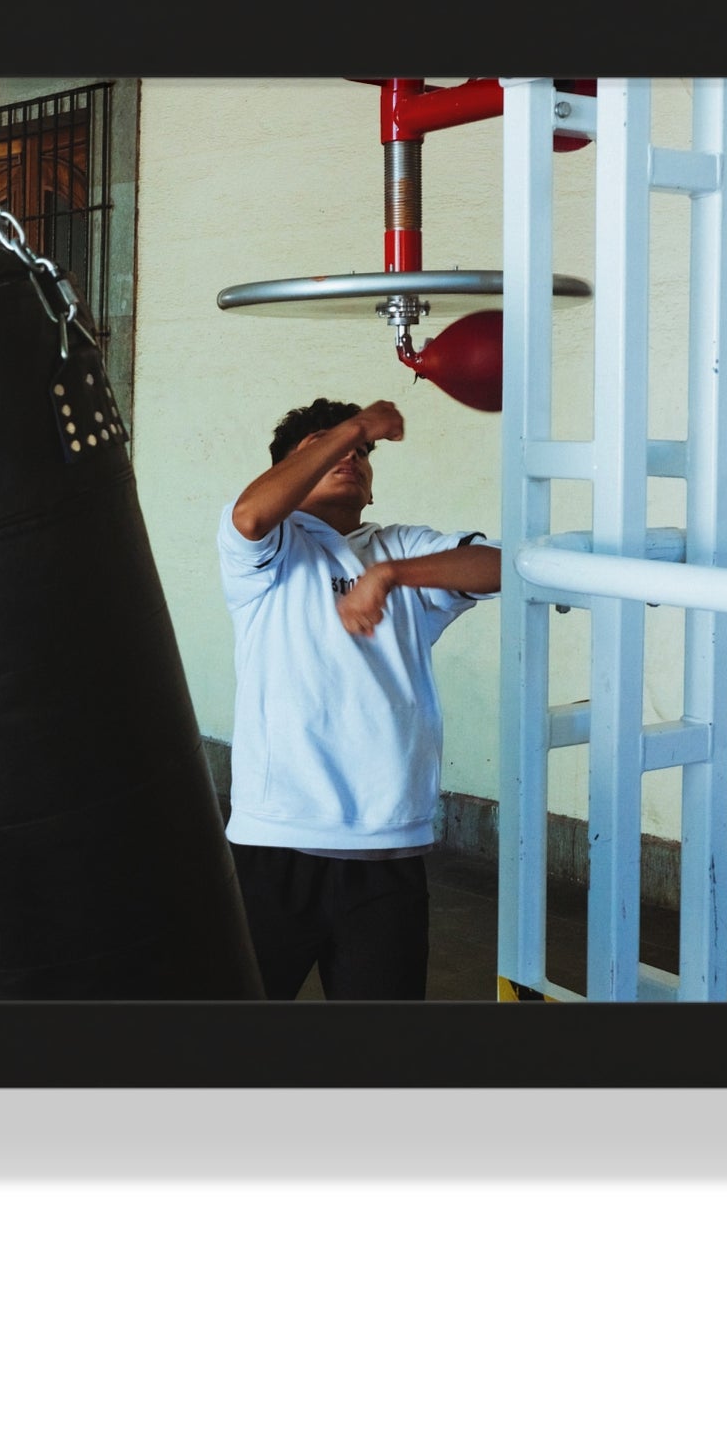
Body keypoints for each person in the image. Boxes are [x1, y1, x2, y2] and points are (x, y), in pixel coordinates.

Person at [218, 396, 500, 1001]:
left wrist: (393, 576)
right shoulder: (268, 550)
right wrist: (355, 425)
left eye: (363, 452)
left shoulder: (398, 547)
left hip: (385, 848)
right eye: (325, 446)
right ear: (286, 476)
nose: (351, 454)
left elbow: (502, 566)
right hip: (275, 841)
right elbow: (249, 515)